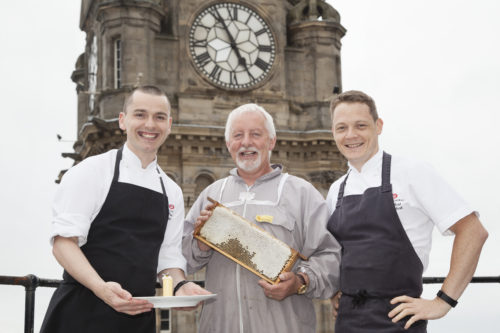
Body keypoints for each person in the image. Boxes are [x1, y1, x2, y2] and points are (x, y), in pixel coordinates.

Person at [41, 85, 209, 333]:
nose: (150, 125)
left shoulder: (171, 191)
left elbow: (167, 258)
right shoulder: (92, 171)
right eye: (140, 115)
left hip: (136, 318)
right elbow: (63, 244)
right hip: (80, 313)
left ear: (169, 125)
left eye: (159, 117)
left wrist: (180, 286)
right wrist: (101, 288)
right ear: (123, 120)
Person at [326, 90, 488, 332]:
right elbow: (337, 254)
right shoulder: (336, 190)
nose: (351, 135)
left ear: (378, 126)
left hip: (399, 321)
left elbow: (473, 231)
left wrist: (443, 301)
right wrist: (335, 291)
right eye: (342, 128)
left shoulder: (412, 173)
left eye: (360, 125)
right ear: (333, 133)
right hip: (347, 321)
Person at [182, 103, 341, 333]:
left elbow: (331, 257)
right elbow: (183, 260)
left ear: (271, 141)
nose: (246, 142)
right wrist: (200, 243)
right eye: (238, 135)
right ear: (229, 144)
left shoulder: (301, 193)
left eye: (256, 134)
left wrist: (300, 282)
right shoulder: (211, 194)